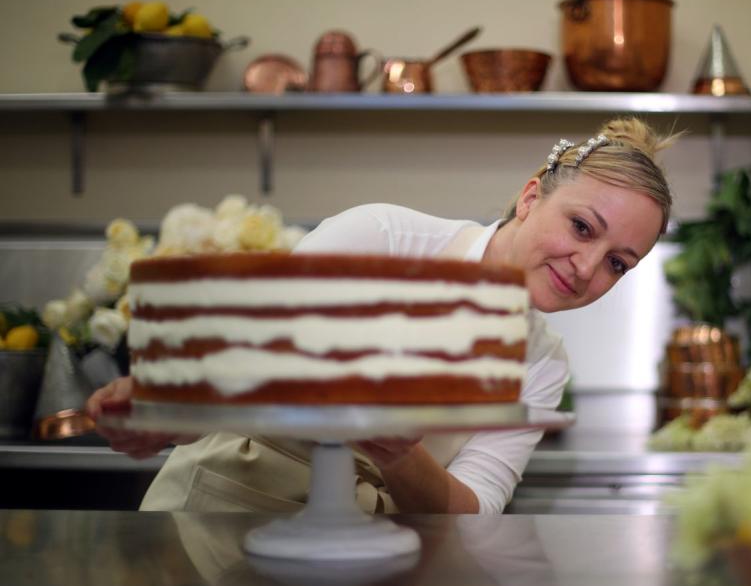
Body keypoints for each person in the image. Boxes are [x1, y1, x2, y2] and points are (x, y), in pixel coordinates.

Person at [87, 116, 677, 515]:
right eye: (581, 228)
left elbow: (473, 507)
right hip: (219, 515)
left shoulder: (543, 363)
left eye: (618, 263)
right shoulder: (382, 236)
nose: (587, 267)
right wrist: (160, 408)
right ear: (530, 198)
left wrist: (400, 454)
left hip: (368, 559)